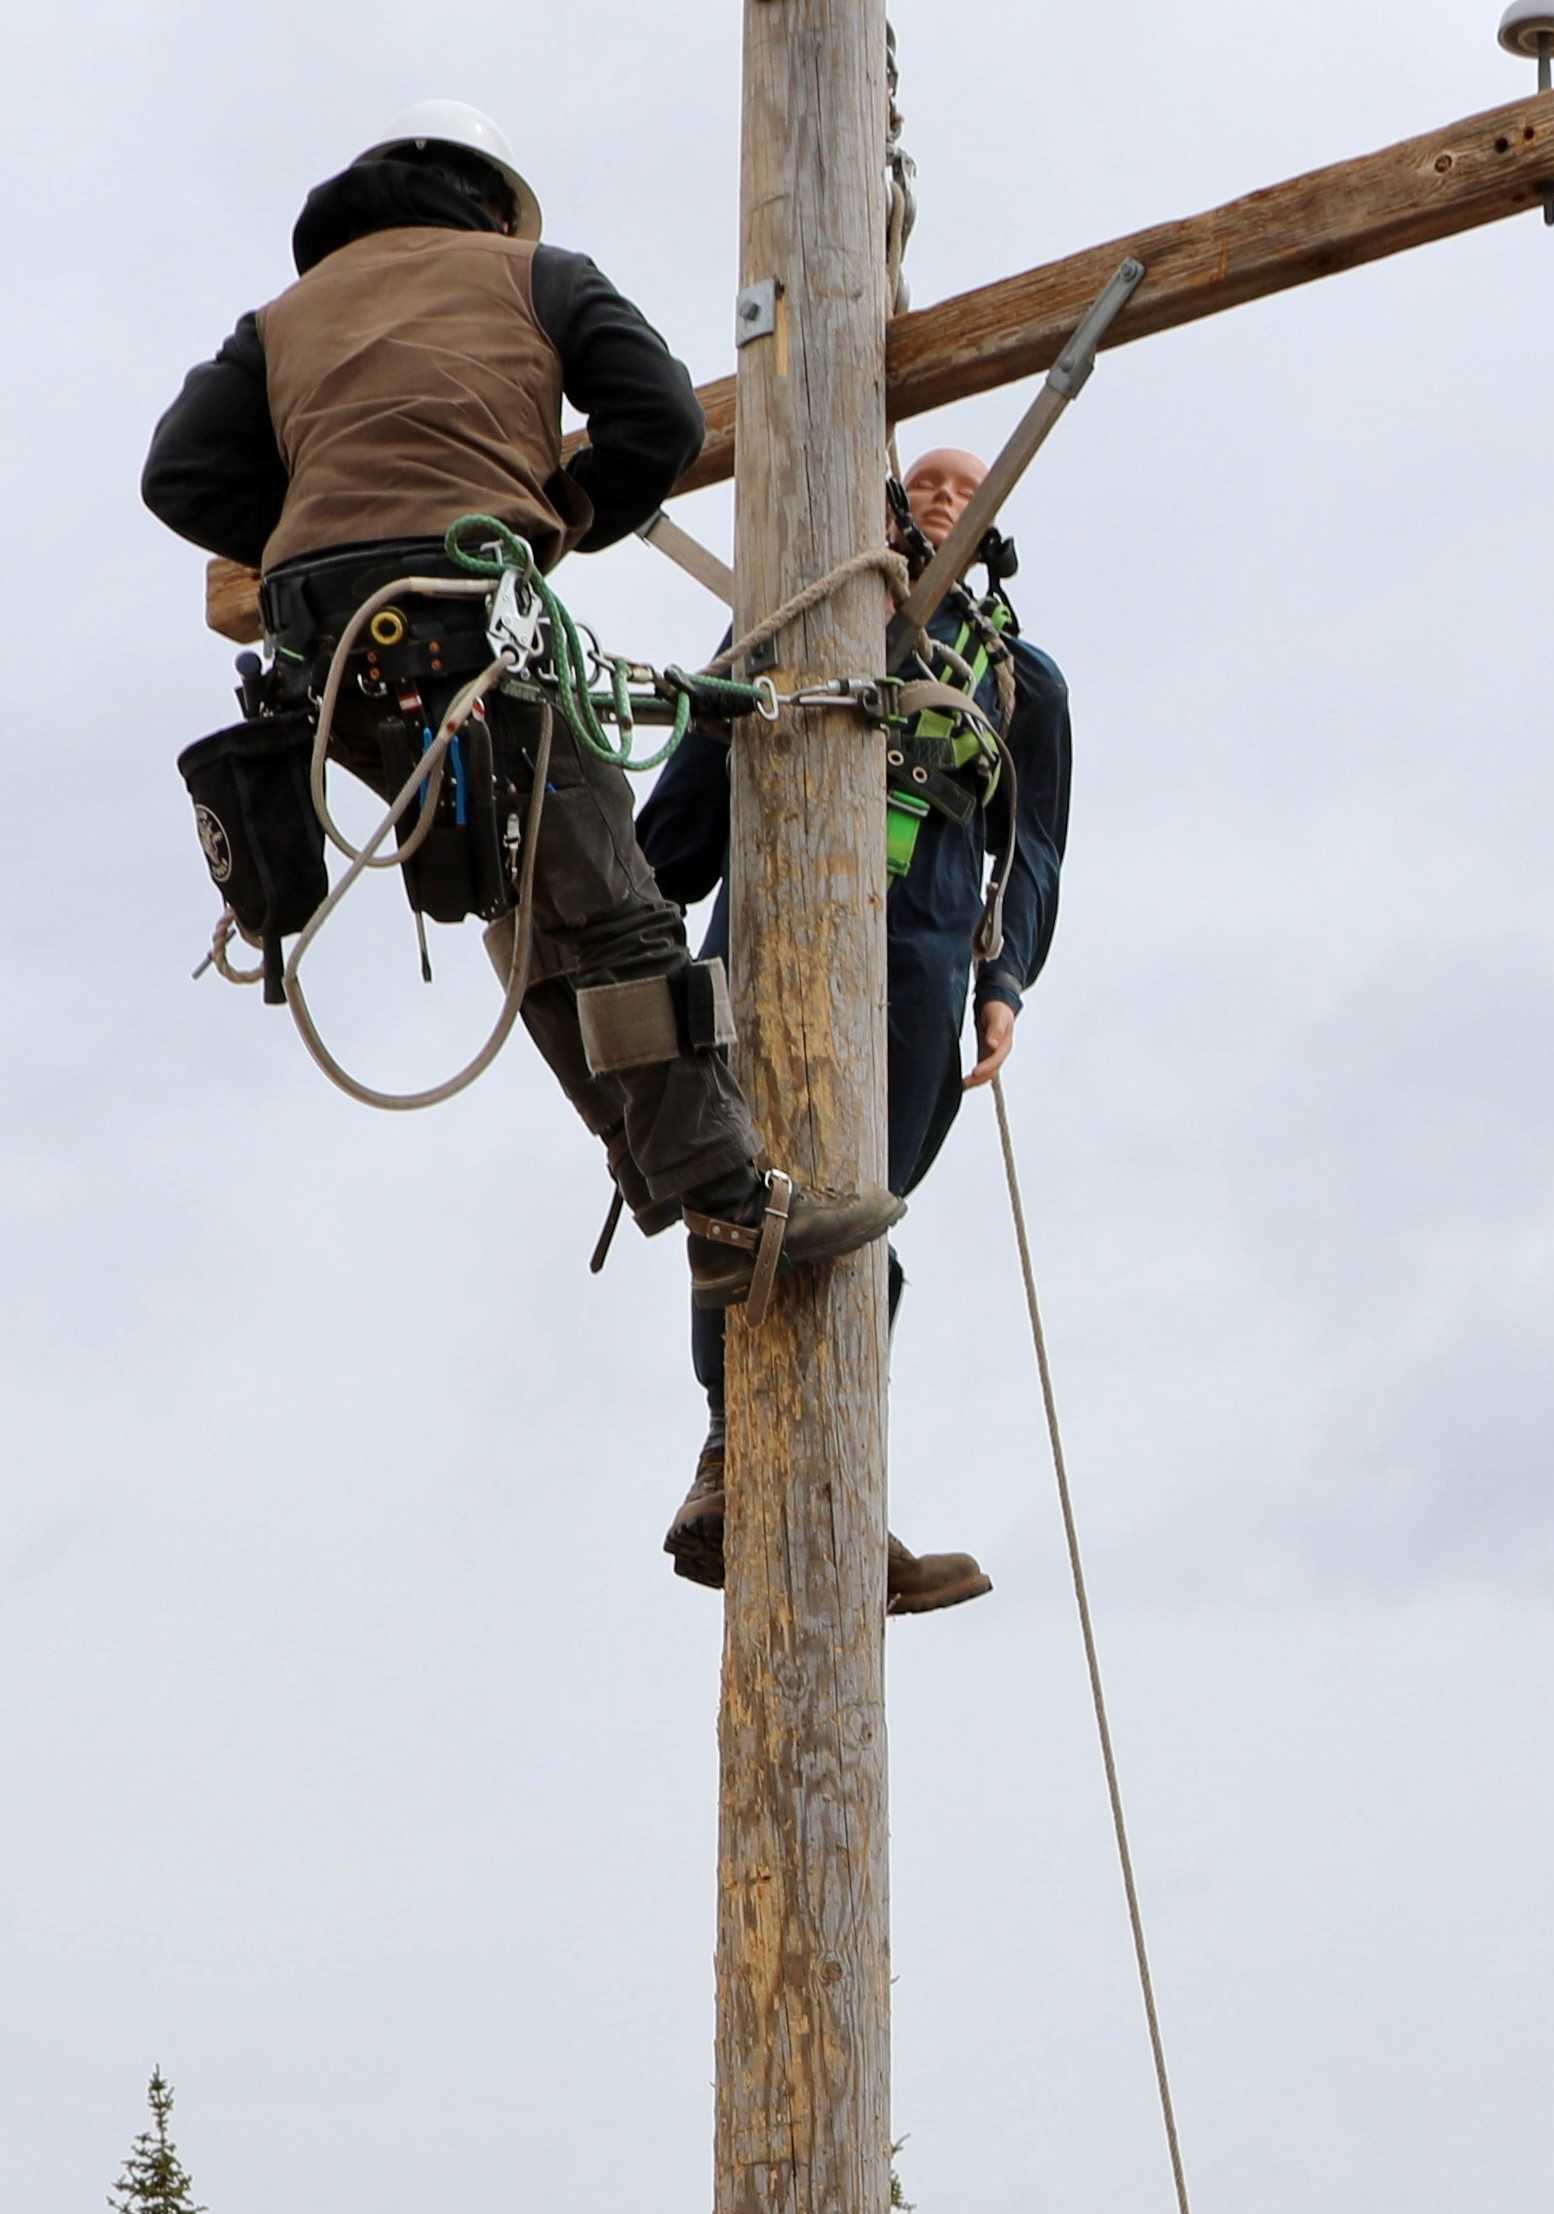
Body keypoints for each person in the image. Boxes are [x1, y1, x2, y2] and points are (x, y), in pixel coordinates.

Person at [140, 110, 907, 1371]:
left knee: (532, 914)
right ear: (492, 206)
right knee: (611, 910)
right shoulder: (537, 275)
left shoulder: (280, 320)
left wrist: (315, 522)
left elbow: (180, 475)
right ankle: (727, 1196)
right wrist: (573, 508)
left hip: (333, 646)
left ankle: (661, 1166)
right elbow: (658, 416)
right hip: (469, 613)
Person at [637, 442, 1070, 1609]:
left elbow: (1032, 852)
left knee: (857, 1215)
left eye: (967, 489)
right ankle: (736, 1462)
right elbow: (678, 821)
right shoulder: (796, 625)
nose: (941, 495)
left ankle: (830, 1491)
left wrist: (1005, 981)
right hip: (771, 941)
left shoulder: (1020, 682)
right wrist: (625, 921)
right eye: (924, 480)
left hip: (922, 955)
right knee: (742, 1202)